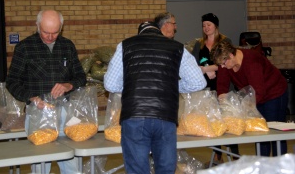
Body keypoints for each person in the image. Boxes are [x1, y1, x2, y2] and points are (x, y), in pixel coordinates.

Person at [104, 21, 206, 174]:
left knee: (137, 169)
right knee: (166, 169)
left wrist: (133, 87)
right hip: (165, 116)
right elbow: (198, 82)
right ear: (159, 31)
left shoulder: (125, 46)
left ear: (140, 33)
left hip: (134, 116)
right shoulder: (177, 47)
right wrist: (170, 86)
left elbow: (110, 84)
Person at [6, 9, 86, 174]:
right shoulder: (24, 48)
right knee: (41, 165)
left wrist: (68, 85)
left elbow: (80, 77)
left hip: (65, 113)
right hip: (38, 114)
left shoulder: (67, 46)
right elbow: (12, 82)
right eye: (45, 32)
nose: (50, 37)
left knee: (72, 165)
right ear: (37, 26)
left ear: (61, 28)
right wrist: (32, 98)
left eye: (55, 32)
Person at [210, 40, 288, 157]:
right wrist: (222, 100)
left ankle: (280, 164)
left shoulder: (252, 62)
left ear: (231, 56)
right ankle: (262, 165)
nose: (222, 66)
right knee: (260, 132)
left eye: (223, 63)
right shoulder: (225, 62)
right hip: (256, 95)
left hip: (274, 93)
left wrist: (242, 109)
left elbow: (258, 92)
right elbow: (222, 85)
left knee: (275, 132)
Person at [190, 12, 239, 166]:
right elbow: (193, 63)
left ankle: (235, 155)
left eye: (209, 25)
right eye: (204, 25)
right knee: (213, 120)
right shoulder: (200, 44)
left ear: (216, 26)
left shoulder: (225, 42)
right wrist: (205, 69)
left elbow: (227, 61)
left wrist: (209, 68)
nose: (206, 28)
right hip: (207, 87)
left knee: (228, 119)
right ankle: (218, 155)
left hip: (223, 84)